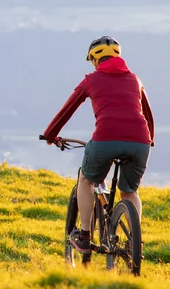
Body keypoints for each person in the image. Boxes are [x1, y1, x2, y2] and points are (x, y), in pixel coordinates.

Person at [41, 35, 154, 255]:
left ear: (94, 59)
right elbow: (148, 114)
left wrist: (50, 135)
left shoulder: (91, 80)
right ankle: (134, 242)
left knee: (86, 179)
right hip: (140, 141)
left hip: (105, 139)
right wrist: (150, 139)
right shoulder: (135, 79)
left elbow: (68, 109)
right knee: (129, 192)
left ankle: (84, 236)